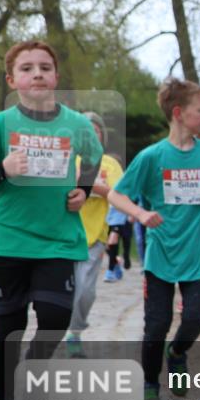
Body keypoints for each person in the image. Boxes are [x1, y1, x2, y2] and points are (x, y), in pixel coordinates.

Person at [0, 40, 102, 400]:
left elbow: (95, 157)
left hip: (58, 239)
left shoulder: (77, 125)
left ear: (56, 77)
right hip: (8, 240)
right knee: (10, 326)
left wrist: (82, 190)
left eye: (45, 67)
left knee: (54, 318)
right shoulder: (0, 124)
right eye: (27, 68)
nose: (37, 74)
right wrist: (2, 168)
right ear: (13, 80)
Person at [107, 78, 200, 400]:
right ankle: (148, 382)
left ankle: (177, 353)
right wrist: (141, 214)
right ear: (178, 113)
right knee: (156, 324)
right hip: (161, 253)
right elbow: (117, 194)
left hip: (199, 251)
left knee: (195, 317)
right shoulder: (151, 156)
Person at [66, 112, 124, 358]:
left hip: (95, 236)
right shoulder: (68, 159)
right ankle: (61, 328)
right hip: (64, 233)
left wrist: (92, 186)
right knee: (64, 290)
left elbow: (119, 195)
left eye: (96, 131)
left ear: (102, 135)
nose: (91, 134)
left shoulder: (110, 165)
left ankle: (75, 332)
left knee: (85, 290)